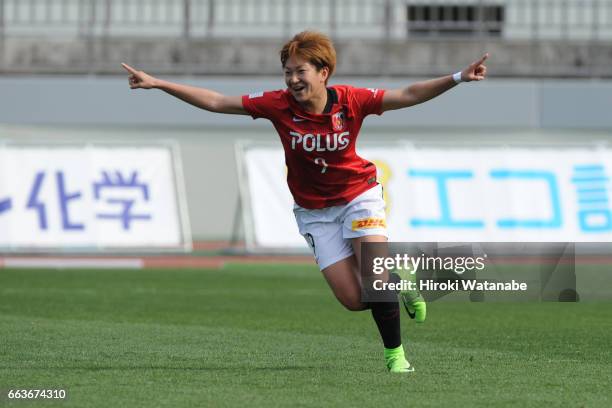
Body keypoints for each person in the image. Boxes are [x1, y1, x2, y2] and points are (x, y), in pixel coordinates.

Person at [122, 31, 488, 373]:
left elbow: (407, 94)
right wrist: (159, 84)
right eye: (287, 72)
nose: (292, 79)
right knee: (353, 299)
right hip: (315, 213)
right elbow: (218, 101)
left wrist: (457, 77)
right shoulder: (277, 106)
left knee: (373, 279)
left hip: (359, 196)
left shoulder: (351, 100)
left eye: (300, 71)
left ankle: (397, 358)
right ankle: (400, 280)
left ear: (323, 72)